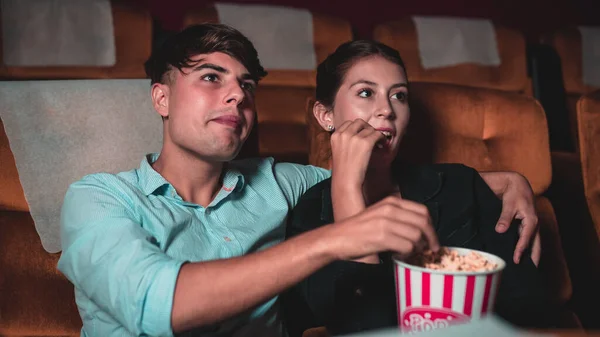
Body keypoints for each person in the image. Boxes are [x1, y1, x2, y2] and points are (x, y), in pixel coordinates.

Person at [57, 24, 541, 336]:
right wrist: (333, 240)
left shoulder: (278, 182)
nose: (236, 97)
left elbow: (375, 175)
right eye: (211, 78)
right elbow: (159, 304)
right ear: (161, 99)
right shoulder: (98, 199)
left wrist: (504, 179)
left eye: (246, 86)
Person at [283, 40, 557, 337]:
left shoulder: (461, 186)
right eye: (366, 93)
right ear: (326, 116)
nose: (386, 110)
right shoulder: (307, 215)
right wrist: (347, 188)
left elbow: (530, 306)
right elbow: (362, 328)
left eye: (399, 96)